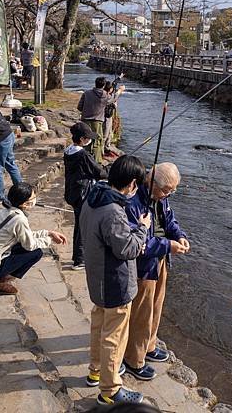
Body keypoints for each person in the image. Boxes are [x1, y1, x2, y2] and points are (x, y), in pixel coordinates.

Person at [80, 155, 151, 406]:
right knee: (114, 335)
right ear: (132, 183)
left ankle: (96, 371)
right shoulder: (113, 211)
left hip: (96, 278)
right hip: (114, 283)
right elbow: (128, 249)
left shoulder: (93, 197)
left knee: (99, 325)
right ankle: (109, 390)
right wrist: (142, 228)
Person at [124, 163, 189, 381]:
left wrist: (178, 236)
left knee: (156, 306)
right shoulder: (133, 203)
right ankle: (134, 359)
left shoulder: (162, 198)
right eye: (166, 190)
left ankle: (149, 346)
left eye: (172, 190)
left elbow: (170, 221)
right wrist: (168, 245)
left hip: (160, 260)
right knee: (141, 312)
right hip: (144, 265)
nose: (168, 194)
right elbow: (139, 243)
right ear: (152, 182)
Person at [0, 182, 67, 295]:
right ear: (25, 204)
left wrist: (48, 233)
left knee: (20, 246)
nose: (35, 200)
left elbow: (24, 236)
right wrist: (50, 240)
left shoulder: (7, 211)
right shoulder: (19, 219)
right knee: (35, 253)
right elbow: (30, 245)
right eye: (33, 197)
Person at [63, 122, 108, 270]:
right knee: (83, 226)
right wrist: (109, 171)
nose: (90, 140)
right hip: (82, 194)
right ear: (82, 139)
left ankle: (79, 257)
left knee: (80, 224)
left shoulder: (68, 151)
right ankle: (79, 259)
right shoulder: (82, 154)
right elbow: (98, 172)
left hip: (72, 192)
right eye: (88, 138)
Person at [77, 77, 121, 163]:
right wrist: (120, 91)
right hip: (97, 122)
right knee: (97, 141)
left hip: (84, 120)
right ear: (104, 85)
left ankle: (84, 160)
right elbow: (113, 99)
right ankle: (97, 161)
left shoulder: (86, 93)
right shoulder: (105, 95)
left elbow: (79, 107)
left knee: (85, 140)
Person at [103, 81, 125, 156]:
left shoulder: (106, 94)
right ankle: (103, 148)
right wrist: (120, 91)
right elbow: (114, 98)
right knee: (105, 133)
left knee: (109, 132)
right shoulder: (107, 96)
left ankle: (107, 145)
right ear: (110, 89)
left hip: (108, 116)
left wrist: (120, 78)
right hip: (106, 117)